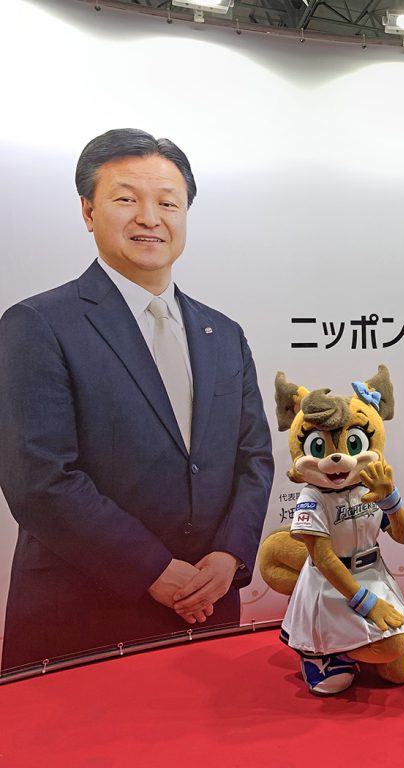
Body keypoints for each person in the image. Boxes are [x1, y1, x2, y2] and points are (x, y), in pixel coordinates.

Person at [0, 128, 275, 671]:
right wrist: (152, 569)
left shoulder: (224, 333)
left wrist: (229, 556)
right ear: (88, 210)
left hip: (209, 605)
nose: (150, 218)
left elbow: (254, 459)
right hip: (84, 616)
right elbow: (40, 479)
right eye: (126, 199)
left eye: (168, 203)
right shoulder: (38, 325)